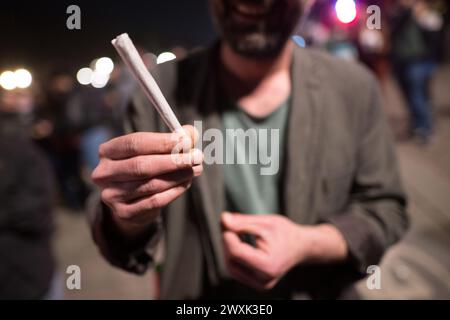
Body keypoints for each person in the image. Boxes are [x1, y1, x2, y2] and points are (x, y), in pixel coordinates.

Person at [90, 0, 408, 299]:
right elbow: (117, 237)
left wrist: (309, 243)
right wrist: (127, 217)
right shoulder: (158, 91)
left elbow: (386, 210)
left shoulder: (354, 88)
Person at [389, 0, 444, 144]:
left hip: (417, 61)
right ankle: (416, 125)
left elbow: (435, 32)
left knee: (419, 96)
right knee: (409, 96)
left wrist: (433, 59)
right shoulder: (394, 12)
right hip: (400, 60)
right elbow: (389, 30)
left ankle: (426, 128)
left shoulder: (423, 13)